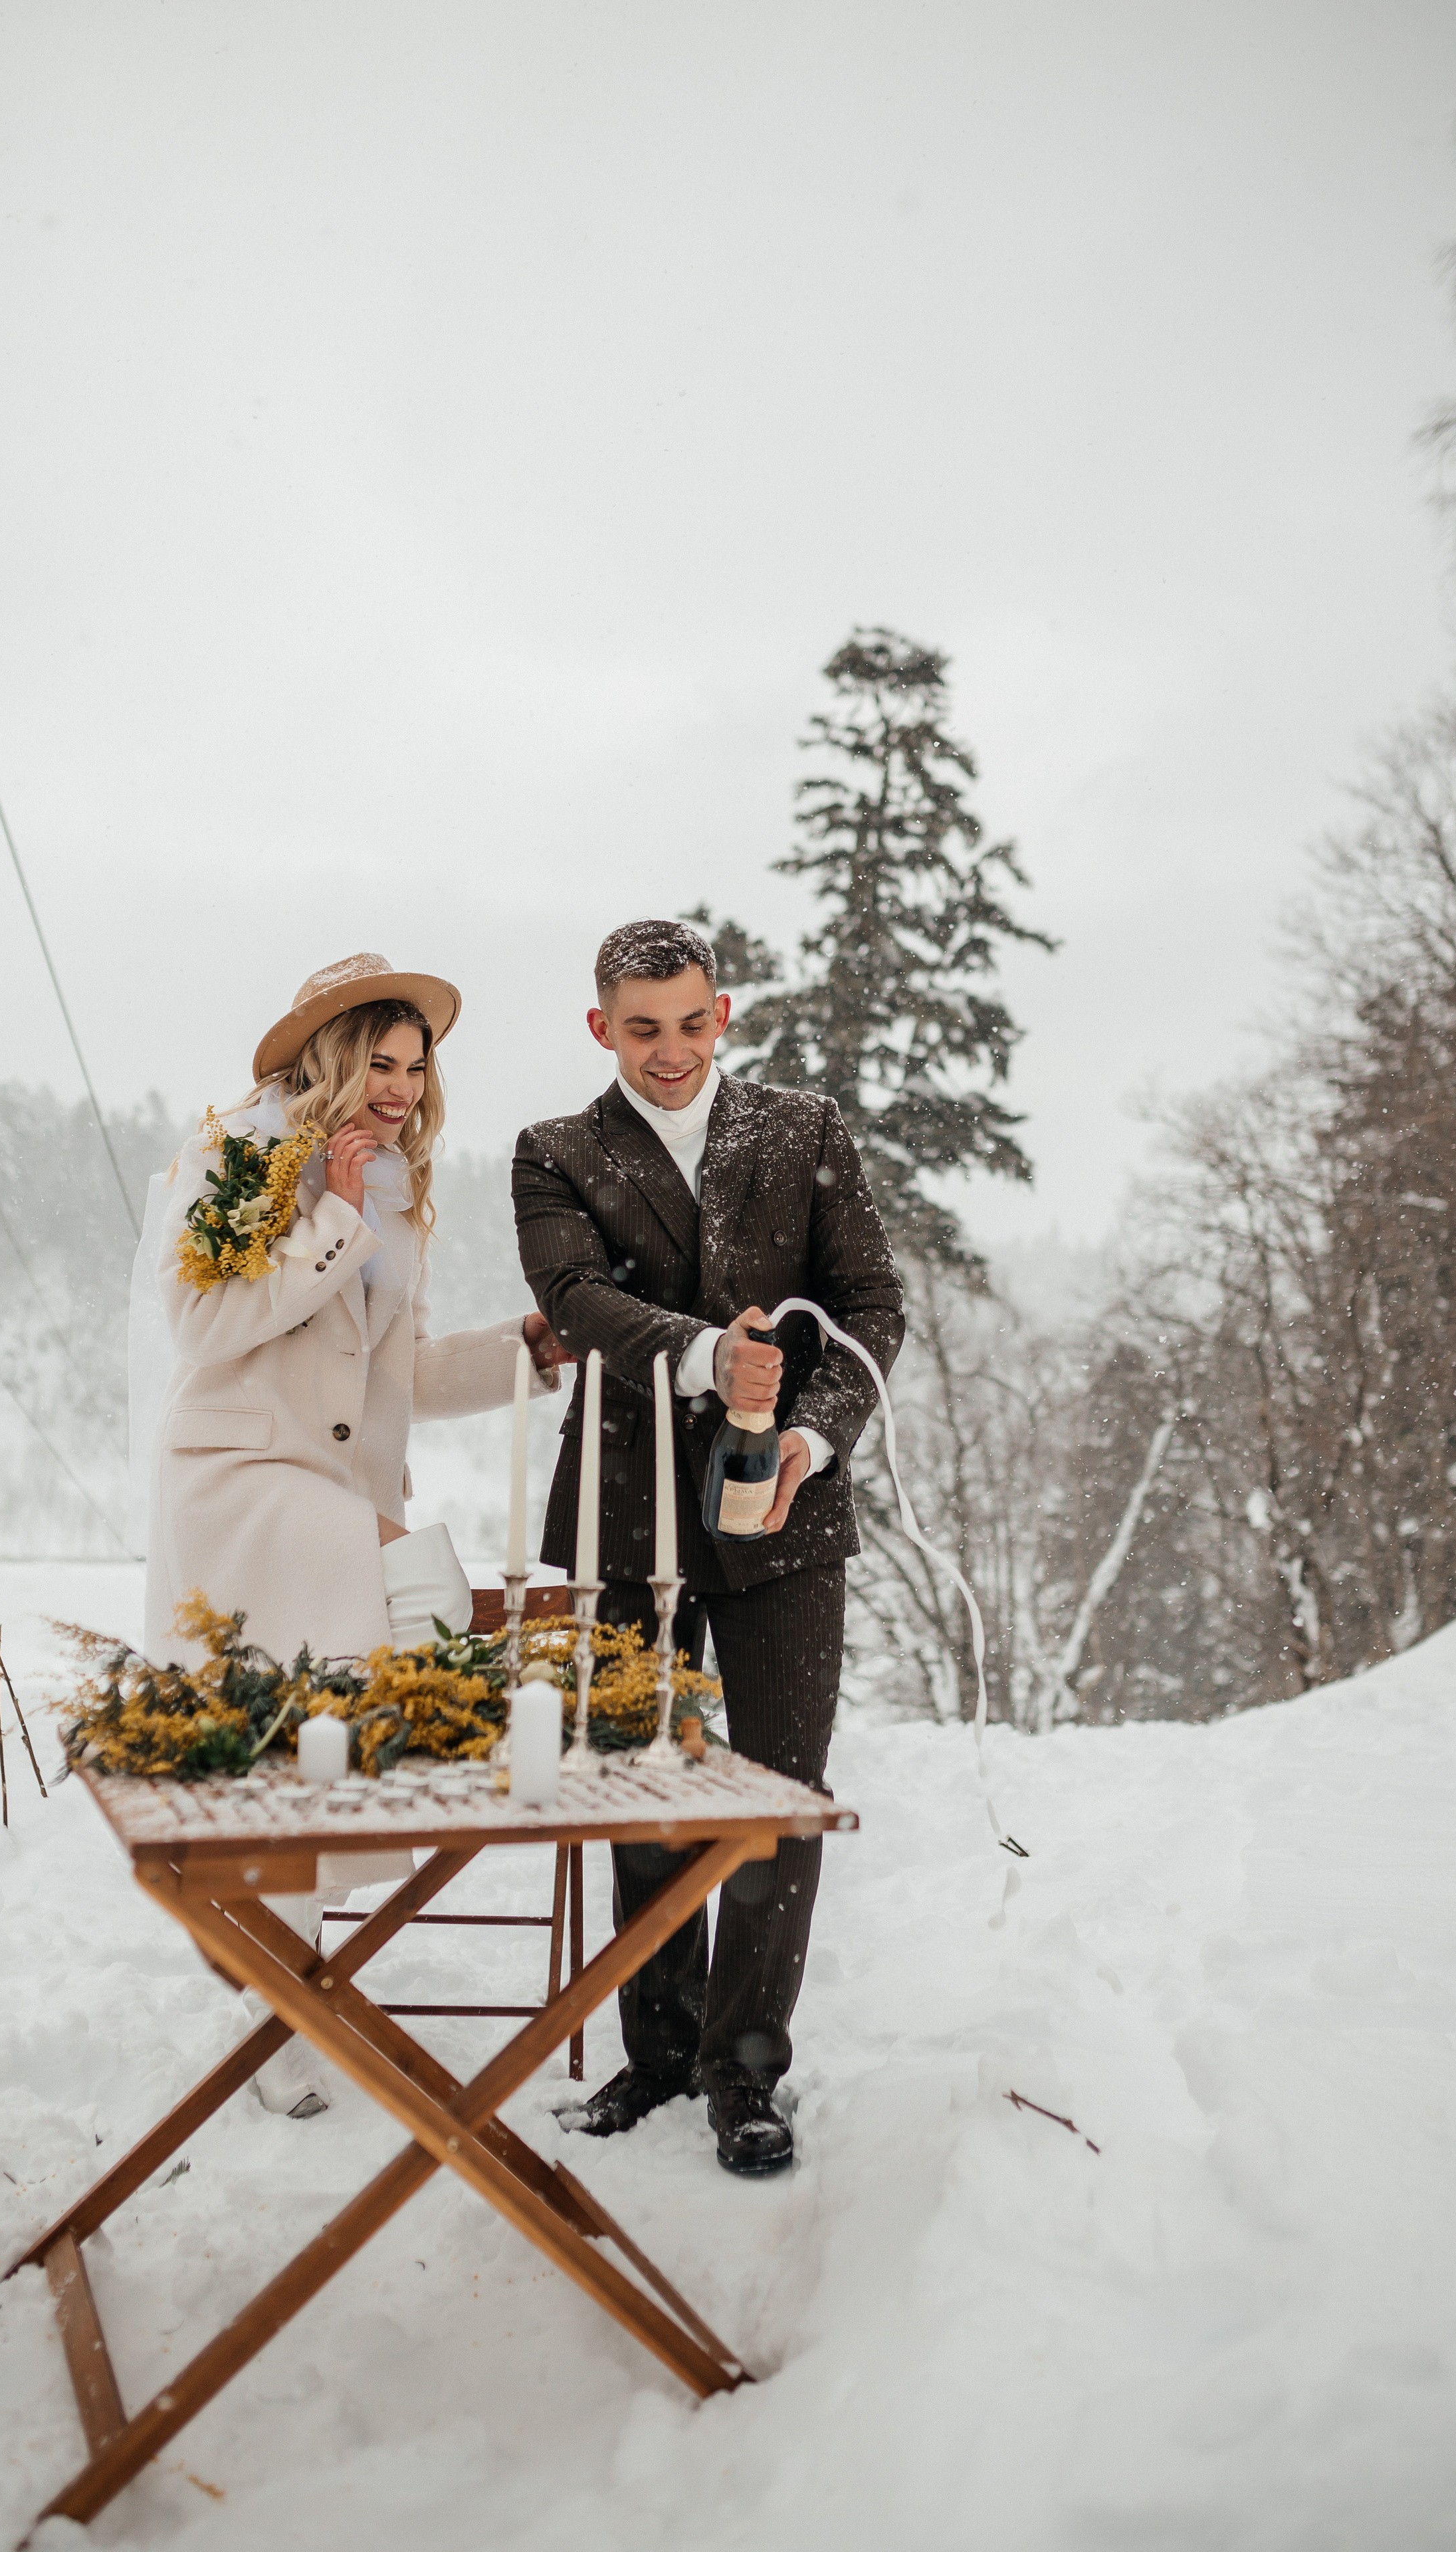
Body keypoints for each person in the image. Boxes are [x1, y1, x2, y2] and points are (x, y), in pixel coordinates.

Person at [141, 952, 567, 2113]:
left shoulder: (394, 1192)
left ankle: (276, 1997)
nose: (400, 1088)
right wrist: (324, 1216)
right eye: (380, 1062)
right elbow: (201, 1327)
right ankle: (284, 1960)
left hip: (328, 1486)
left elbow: (402, 1375)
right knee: (415, 1584)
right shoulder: (235, 1156)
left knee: (302, 1745)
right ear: (329, 1061)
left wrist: (524, 1354)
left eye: (416, 1069)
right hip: (237, 1480)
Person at [512, 917, 904, 2173]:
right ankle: (660, 2050)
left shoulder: (804, 1130)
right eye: (642, 1030)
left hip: (785, 1517)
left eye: (691, 1023)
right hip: (625, 1514)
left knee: (780, 1798)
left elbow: (872, 1305)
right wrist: (700, 1355)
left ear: (722, 1013)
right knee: (642, 1792)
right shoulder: (555, 1152)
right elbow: (576, 1300)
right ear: (601, 1028)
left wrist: (812, 1439)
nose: (670, 1051)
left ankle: (745, 2070)